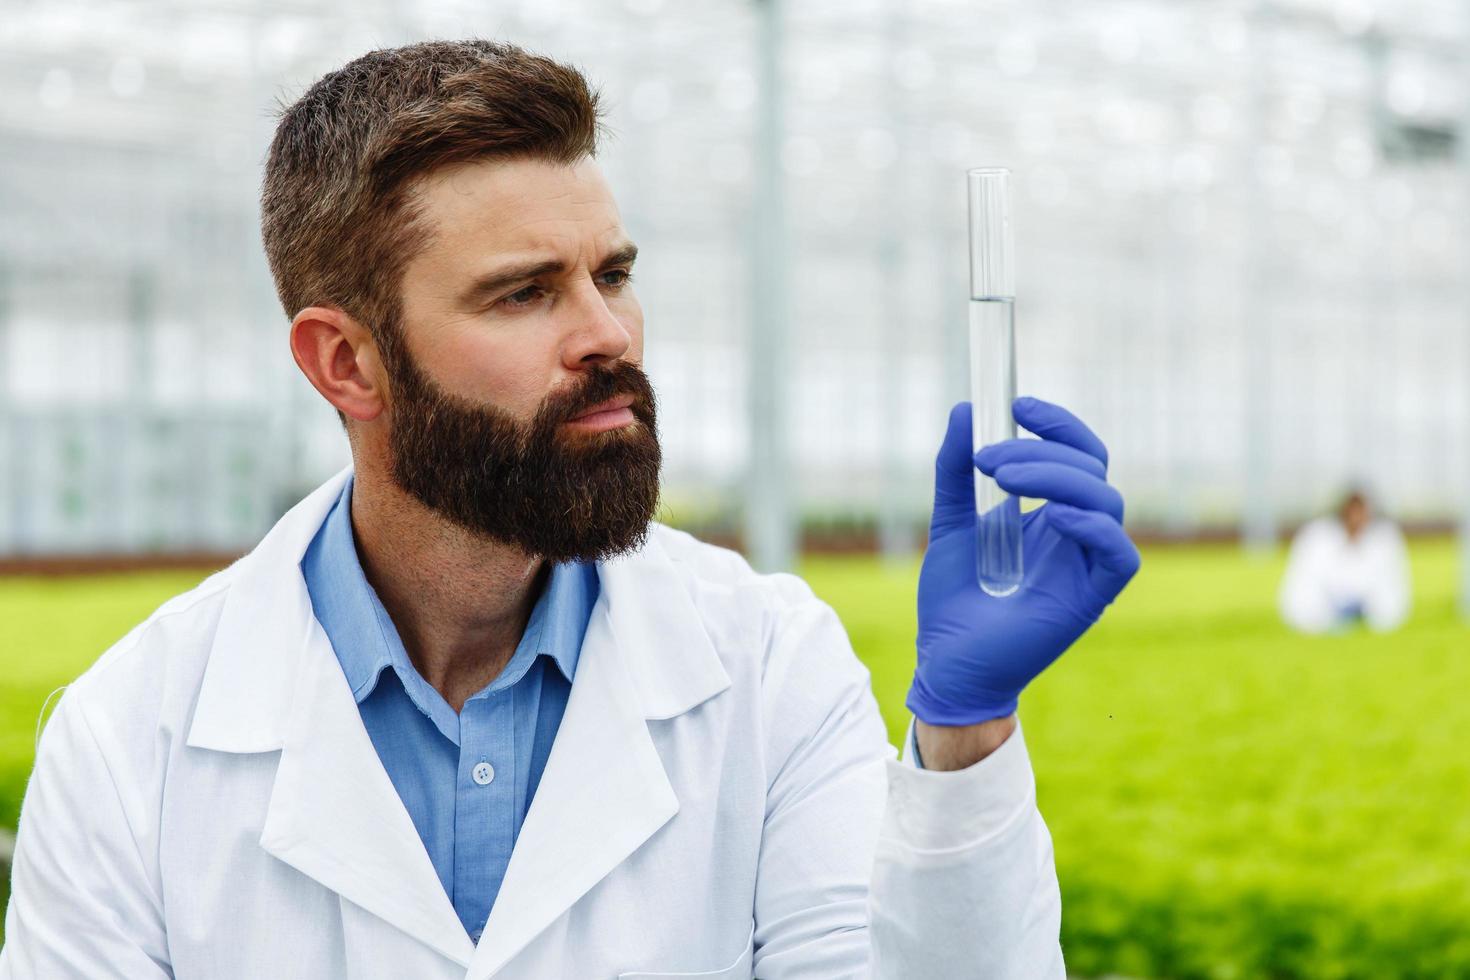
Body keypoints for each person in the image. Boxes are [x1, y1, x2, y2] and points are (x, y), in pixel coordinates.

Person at [0, 41, 1139, 979]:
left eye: (613, 272)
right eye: (525, 291)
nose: (608, 332)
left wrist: (966, 730)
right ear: (345, 362)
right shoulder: (126, 746)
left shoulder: (768, 667)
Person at [1279, 487, 1410, 634]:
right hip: (1326, 610)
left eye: (1360, 513)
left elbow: (1393, 590)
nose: (1356, 519)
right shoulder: (1318, 539)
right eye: (1351, 513)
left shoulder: (1384, 540)